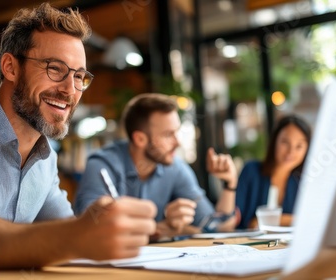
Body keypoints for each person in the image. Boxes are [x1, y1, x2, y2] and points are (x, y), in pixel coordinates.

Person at [0, 3, 157, 274]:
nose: (69, 90)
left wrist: (108, 235)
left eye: (79, 77)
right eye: (55, 68)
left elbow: (66, 237)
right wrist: (76, 236)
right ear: (10, 67)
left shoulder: (43, 157)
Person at [73, 93, 238, 239]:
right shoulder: (103, 166)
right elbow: (91, 230)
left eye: (177, 132)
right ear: (140, 139)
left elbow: (217, 227)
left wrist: (229, 184)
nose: (178, 142)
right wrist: (163, 229)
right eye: (168, 135)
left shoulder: (175, 168)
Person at [234, 115, 311, 229]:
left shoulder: (303, 182)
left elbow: (310, 221)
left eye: (299, 146)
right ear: (275, 140)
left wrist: (266, 221)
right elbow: (239, 219)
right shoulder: (251, 171)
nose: (291, 151)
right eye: (285, 142)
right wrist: (293, 219)